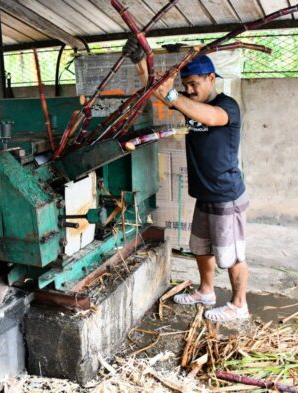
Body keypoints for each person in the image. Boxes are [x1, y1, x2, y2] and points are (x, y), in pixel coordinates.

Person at [123, 37, 250, 322]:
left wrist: (174, 97)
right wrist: (140, 60)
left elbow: (211, 118)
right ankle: (206, 291)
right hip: (204, 194)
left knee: (231, 255)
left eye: (195, 84)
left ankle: (239, 305)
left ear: (211, 78)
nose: (189, 90)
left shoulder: (226, 105)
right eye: (186, 85)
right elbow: (159, 91)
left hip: (226, 194)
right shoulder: (190, 102)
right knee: (200, 247)